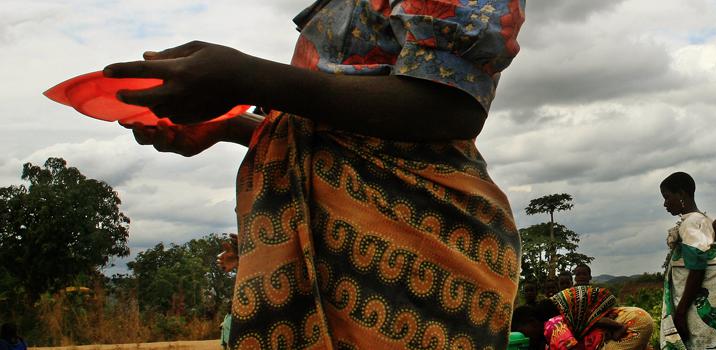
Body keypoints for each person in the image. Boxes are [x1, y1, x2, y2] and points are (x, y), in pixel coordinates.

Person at [105, 1, 527, 348]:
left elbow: (450, 105)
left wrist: (245, 78)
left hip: (413, 249)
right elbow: (329, 136)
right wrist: (229, 126)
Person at [659, 172, 716, 349]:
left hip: (691, 310)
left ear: (682, 194)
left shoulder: (692, 223)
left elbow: (698, 267)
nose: (665, 204)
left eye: (667, 197)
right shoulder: (704, 220)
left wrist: (681, 312)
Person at [543, 286, 655, 350]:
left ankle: (620, 327)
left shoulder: (556, 322)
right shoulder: (570, 310)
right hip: (634, 314)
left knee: (595, 321)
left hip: (634, 320)